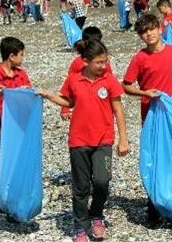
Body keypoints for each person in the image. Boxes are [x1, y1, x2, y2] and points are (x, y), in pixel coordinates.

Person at [38, 40, 130, 242]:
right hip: (78, 140)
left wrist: (123, 139)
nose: (103, 66)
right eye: (98, 62)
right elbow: (68, 102)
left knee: (101, 181)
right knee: (80, 187)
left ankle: (96, 215)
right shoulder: (73, 79)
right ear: (86, 61)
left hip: (103, 140)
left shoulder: (109, 80)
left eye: (105, 61)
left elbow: (118, 110)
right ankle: (80, 226)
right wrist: (48, 95)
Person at [122, 13, 172, 224]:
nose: (148, 34)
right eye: (143, 32)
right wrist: (145, 93)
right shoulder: (140, 58)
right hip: (152, 116)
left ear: (160, 29)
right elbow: (126, 85)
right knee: (155, 158)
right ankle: (154, 206)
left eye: (151, 29)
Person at [0, 37, 32, 215]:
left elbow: (29, 101)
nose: (22, 58)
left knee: (14, 164)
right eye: (21, 55)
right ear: (12, 56)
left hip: (16, 130)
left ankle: (11, 197)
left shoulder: (21, 75)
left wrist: (27, 92)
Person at [60, 26, 114, 121]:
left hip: (101, 106)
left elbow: (111, 84)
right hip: (82, 107)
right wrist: (65, 109)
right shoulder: (77, 62)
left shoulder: (104, 64)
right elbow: (69, 87)